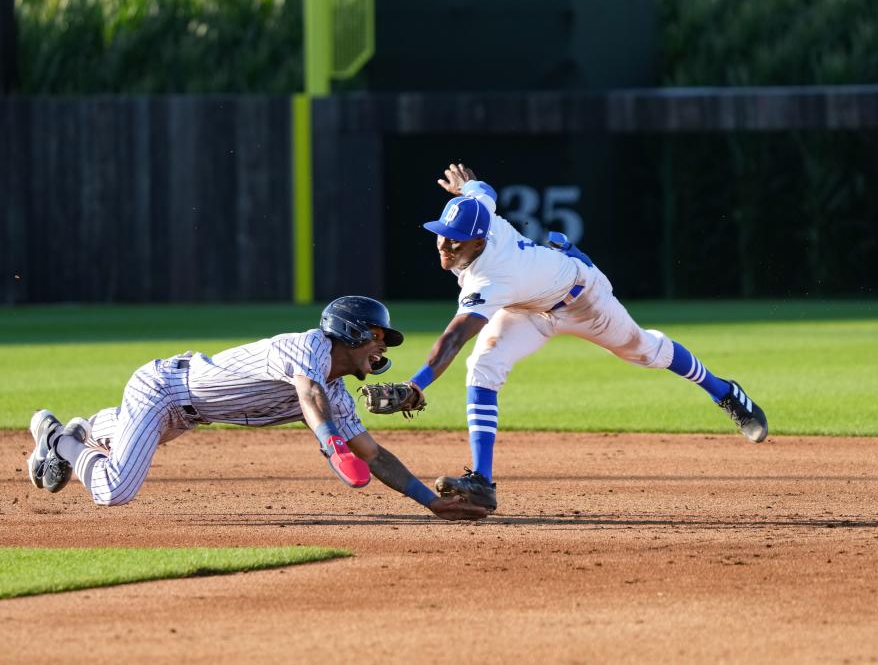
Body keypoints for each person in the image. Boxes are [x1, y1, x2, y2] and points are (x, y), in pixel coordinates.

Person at [379, 164, 768, 511]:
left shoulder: (491, 276)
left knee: (644, 351)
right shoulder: (481, 218)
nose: (445, 246)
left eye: (456, 240)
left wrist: (416, 385)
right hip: (527, 308)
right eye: (442, 235)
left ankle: (725, 392)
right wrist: (469, 186)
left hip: (583, 301)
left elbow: (452, 338)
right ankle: (482, 482)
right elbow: (486, 193)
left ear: (480, 242)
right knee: (484, 364)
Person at [25, 295, 489, 521]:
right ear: (347, 333)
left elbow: (374, 455)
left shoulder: (339, 394)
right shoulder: (304, 349)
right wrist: (332, 446)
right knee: (114, 489)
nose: (381, 347)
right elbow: (308, 396)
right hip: (163, 388)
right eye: (376, 336)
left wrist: (430, 502)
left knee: (131, 441)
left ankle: (88, 431)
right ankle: (60, 440)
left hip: (187, 412)